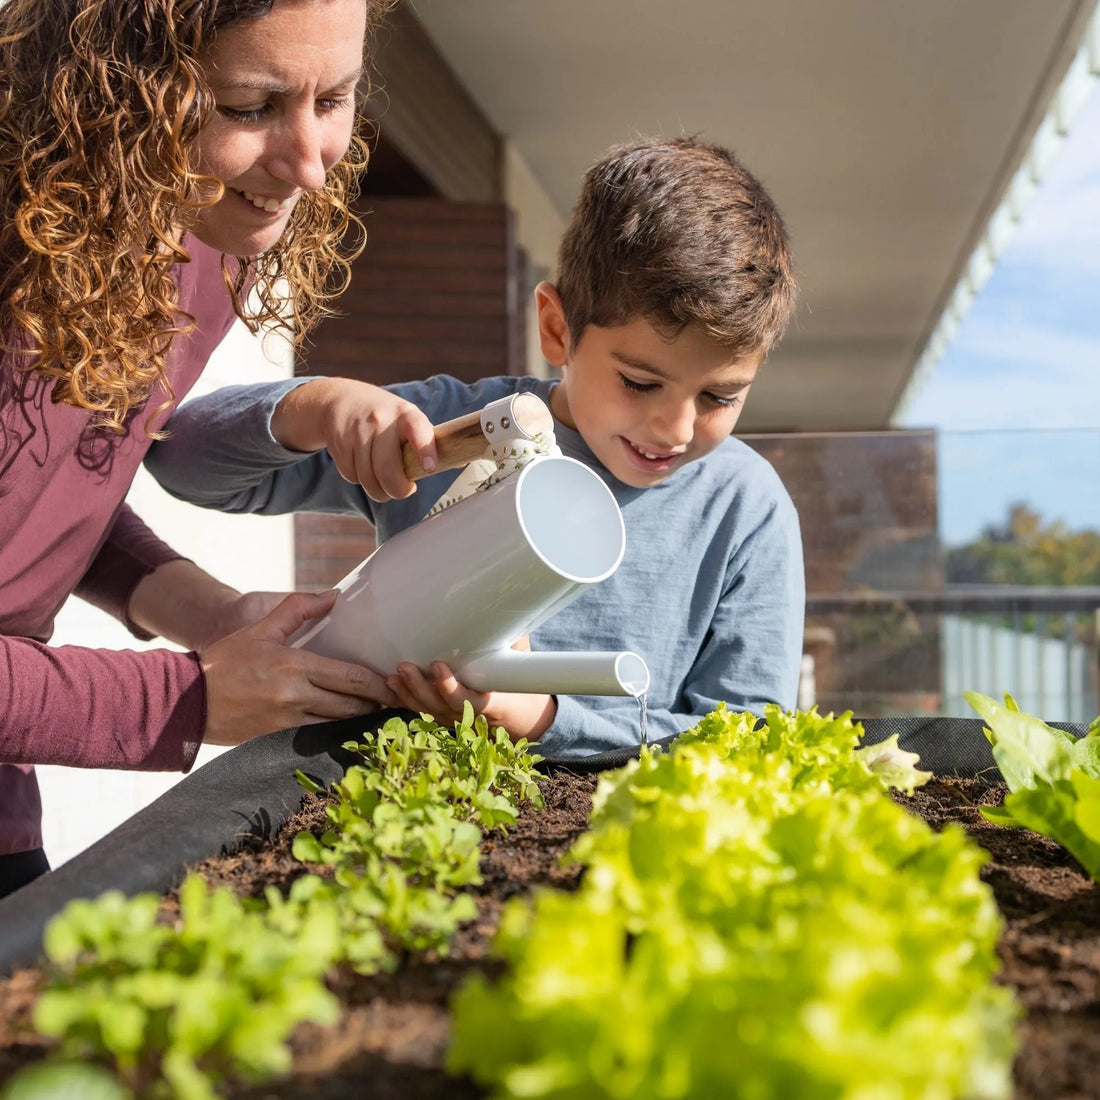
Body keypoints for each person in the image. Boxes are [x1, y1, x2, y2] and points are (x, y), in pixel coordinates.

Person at [147, 136, 806, 758]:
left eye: (720, 398)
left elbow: (749, 740)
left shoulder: (744, 507)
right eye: (640, 382)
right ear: (556, 328)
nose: (676, 429)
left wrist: (543, 719)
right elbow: (179, 460)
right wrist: (316, 408)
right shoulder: (460, 428)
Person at [0, 0, 443, 899]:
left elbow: (44, 485)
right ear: (113, 85)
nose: (311, 164)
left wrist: (215, 616)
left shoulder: (198, 237)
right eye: (250, 107)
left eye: (337, 97)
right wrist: (185, 700)